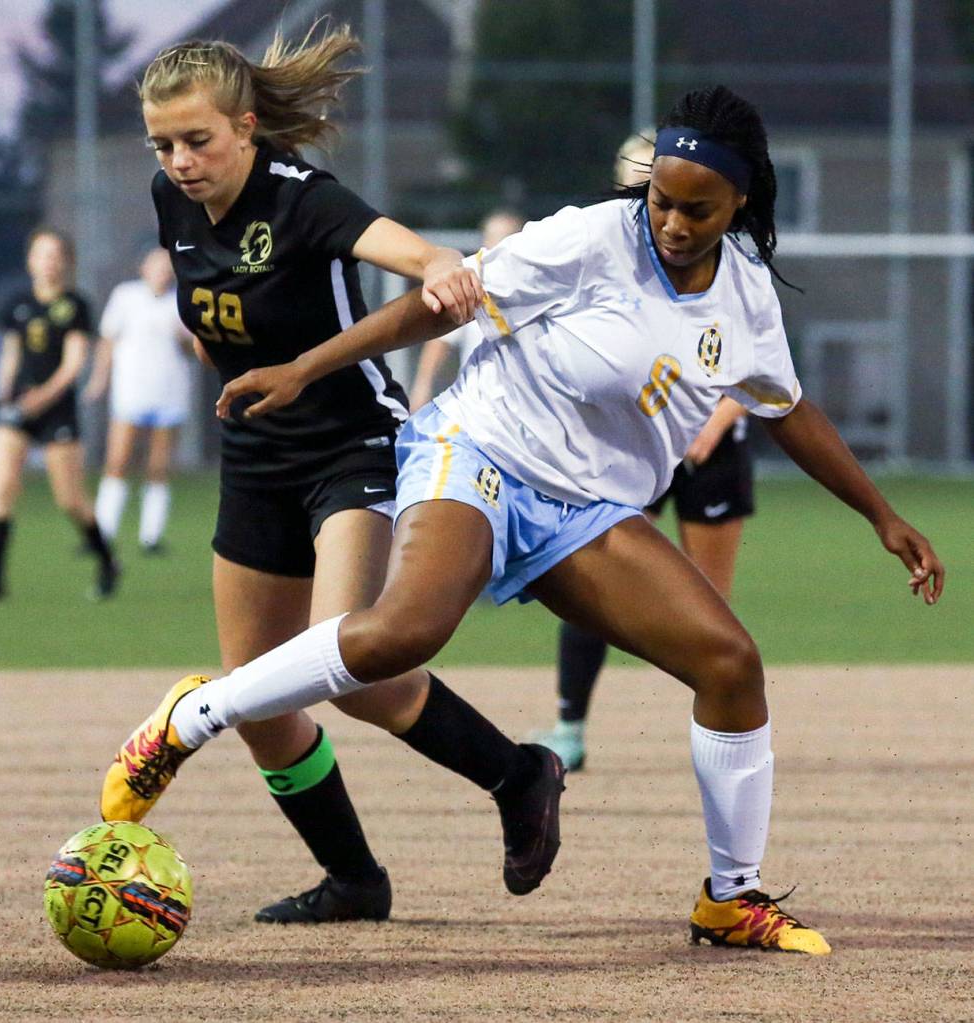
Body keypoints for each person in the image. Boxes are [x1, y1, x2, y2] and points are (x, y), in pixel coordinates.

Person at [105, 84, 945, 954]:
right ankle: (192, 718)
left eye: (698, 208)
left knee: (729, 664)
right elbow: (441, 302)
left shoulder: (745, 298)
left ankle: (730, 898)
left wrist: (880, 515)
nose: (672, 221)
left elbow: (786, 407)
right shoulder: (589, 237)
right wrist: (305, 368)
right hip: (480, 450)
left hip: (584, 508)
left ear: (741, 202)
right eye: (660, 198)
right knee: (401, 634)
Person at [98, 28, 564, 926]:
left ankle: (519, 773)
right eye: (163, 144)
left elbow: (419, 256)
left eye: (197, 140)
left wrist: (439, 267)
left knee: (344, 667)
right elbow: (210, 315)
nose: (180, 161)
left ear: (244, 127)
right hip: (254, 458)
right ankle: (354, 878)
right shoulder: (172, 199)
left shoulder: (303, 200)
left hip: (350, 447)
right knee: (262, 700)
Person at [533, 132, 756, 772]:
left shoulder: (725, 265)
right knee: (595, 592)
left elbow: (761, 367)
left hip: (709, 451)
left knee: (709, 605)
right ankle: (569, 728)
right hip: (633, 452)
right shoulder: (603, 252)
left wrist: (712, 424)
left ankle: (718, 732)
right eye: (649, 194)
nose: (668, 215)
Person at [0, 227, 119, 602]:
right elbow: (12, 355)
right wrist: (7, 394)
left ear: (66, 262)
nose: (47, 262)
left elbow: (73, 365)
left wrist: (41, 398)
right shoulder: (18, 303)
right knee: (1, 489)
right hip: (18, 408)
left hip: (56, 411)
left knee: (70, 499)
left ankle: (106, 562)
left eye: (55, 255)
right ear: (29, 260)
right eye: (41, 255)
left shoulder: (75, 305)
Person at [85, 247, 193, 554]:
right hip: (131, 392)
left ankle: (151, 536)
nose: (161, 271)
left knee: (158, 466)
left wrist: (183, 338)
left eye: (166, 266)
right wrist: (99, 379)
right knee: (117, 461)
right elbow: (108, 340)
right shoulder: (125, 297)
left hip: (169, 393)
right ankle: (101, 533)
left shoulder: (180, 302)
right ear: (142, 267)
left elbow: (192, 351)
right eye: (156, 265)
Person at [407, 209, 524, 412]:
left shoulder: (535, 288)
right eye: (492, 237)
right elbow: (442, 341)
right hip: (478, 405)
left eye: (504, 238)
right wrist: (422, 385)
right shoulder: (471, 285)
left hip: (524, 404)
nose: (495, 245)